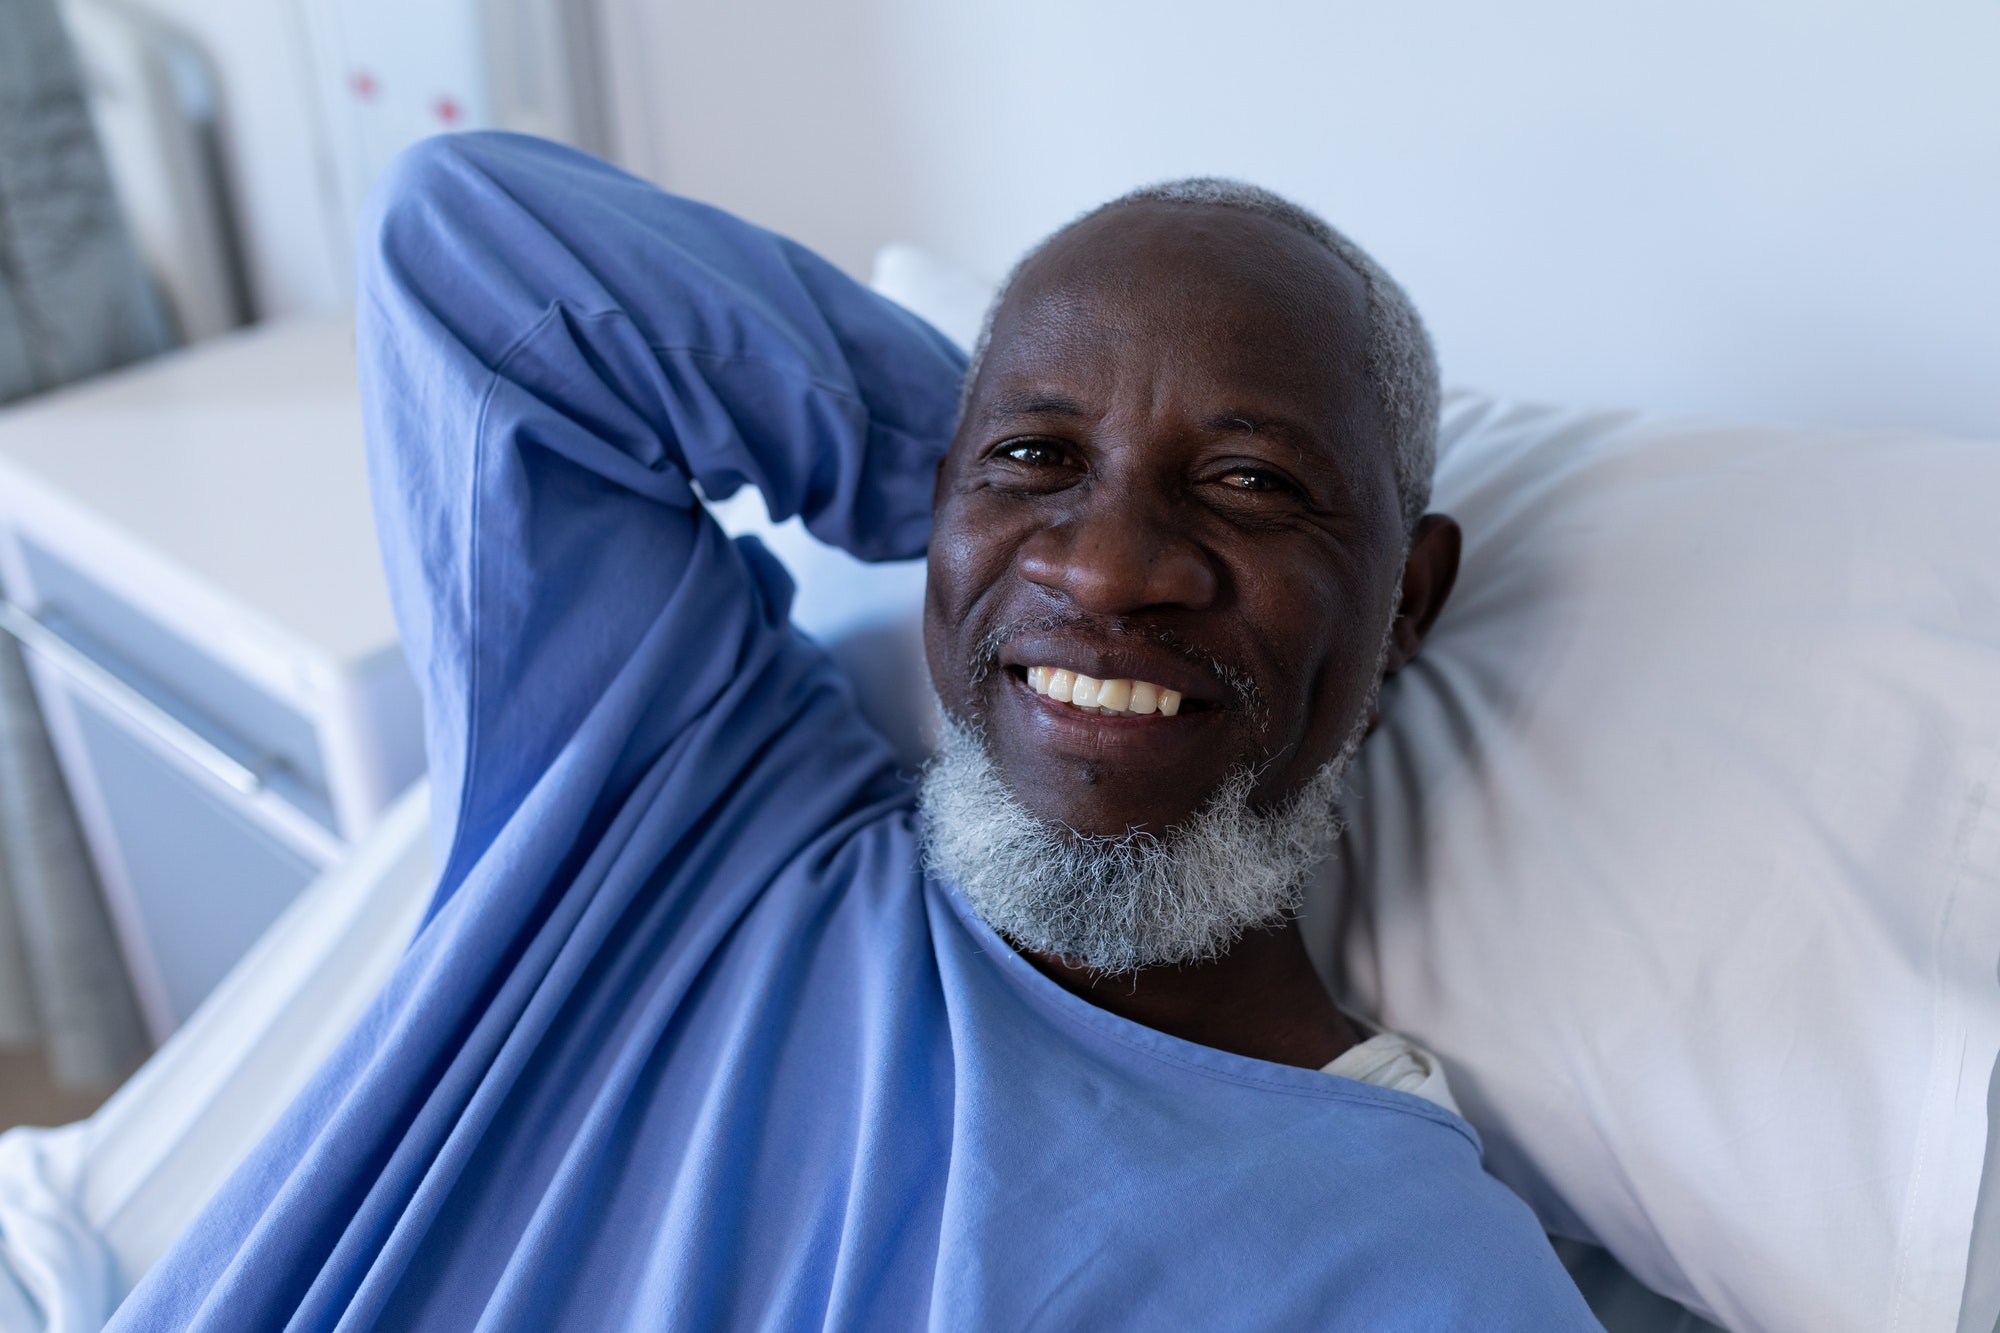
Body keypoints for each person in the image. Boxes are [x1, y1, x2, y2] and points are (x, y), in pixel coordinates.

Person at [108, 133, 1596, 1329]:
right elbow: (472, 243)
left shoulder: (1413, 1267)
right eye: (1036, 452)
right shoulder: (690, 798)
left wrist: (1018, 506)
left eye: (1253, 484)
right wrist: (962, 504)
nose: (1109, 565)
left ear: (1407, 596)